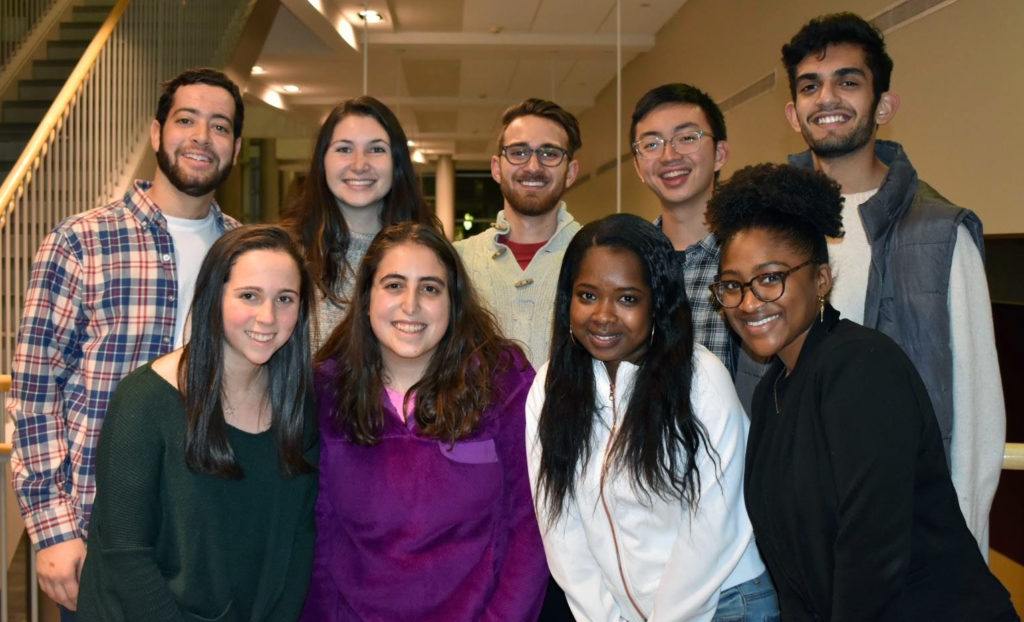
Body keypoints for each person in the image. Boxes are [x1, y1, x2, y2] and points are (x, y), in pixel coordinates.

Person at [707, 163, 1017, 621]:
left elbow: (872, 555)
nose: (750, 302)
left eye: (770, 277)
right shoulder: (773, 389)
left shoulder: (861, 367)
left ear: (821, 280)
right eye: (733, 285)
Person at [7, 67, 243, 615]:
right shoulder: (81, 241)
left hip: (214, 527)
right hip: (105, 534)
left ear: (235, 146)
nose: (202, 138)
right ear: (157, 133)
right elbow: (36, 392)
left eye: (220, 126)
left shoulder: (246, 254)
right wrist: (52, 527)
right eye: (187, 120)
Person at [781, 12, 1004, 551]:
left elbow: (975, 417)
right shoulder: (771, 231)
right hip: (796, 532)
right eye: (811, 86)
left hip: (910, 537)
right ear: (793, 113)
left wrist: (962, 550)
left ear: (883, 104)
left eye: (848, 81)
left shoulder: (940, 234)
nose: (827, 98)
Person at [527, 213, 776, 622]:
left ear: (657, 303)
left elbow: (713, 528)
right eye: (587, 295)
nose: (603, 315)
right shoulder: (549, 387)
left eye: (627, 298)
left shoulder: (700, 379)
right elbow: (561, 529)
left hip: (725, 603)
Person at [302, 222, 548, 621]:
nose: (411, 305)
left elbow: (529, 527)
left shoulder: (504, 384)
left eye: (430, 288)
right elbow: (317, 538)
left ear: (454, 301)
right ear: (366, 298)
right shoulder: (326, 392)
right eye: (394, 285)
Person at [76, 225, 318, 621]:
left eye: (285, 299)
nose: (268, 316)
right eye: (249, 296)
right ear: (213, 298)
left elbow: (298, 541)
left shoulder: (299, 407)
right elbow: (125, 552)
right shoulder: (144, 400)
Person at [283, 96, 433, 350]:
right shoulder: (285, 253)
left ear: (397, 163)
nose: (360, 165)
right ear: (322, 161)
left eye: (376, 149)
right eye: (344, 149)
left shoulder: (429, 256)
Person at [456, 98, 582, 368]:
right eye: (518, 152)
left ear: (570, 172)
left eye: (549, 153)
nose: (533, 166)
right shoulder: (457, 261)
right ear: (496, 168)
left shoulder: (595, 257)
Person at [629, 83, 736, 371]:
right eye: (651, 144)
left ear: (720, 153)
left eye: (687, 138)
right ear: (639, 167)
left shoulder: (751, 258)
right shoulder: (628, 262)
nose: (669, 156)